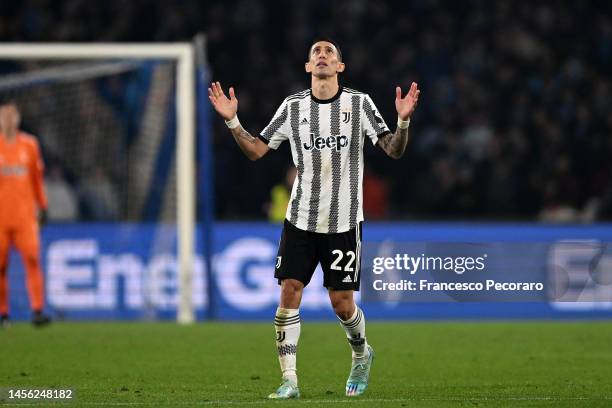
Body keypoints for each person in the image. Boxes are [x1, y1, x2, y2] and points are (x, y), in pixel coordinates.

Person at [208, 39, 420, 399]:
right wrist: (233, 122)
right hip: (300, 218)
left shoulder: (359, 103)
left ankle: (360, 352)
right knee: (290, 291)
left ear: (340, 67)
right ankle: (289, 379)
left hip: (344, 222)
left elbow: (393, 150)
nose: (322, 55)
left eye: (329, 53)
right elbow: (258, 149)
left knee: (342, 302)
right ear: (308, 67)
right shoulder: (293, 108)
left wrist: (402, 120)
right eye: (315, 53)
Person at [0, 102, 51, 327]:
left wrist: (43, 205)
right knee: (0, 266)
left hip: (24, 217)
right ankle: (3, 313)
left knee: (32, 259)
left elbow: (36, 180)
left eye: (13, 115)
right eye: (5, 116)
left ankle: (38, 311)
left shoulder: (30, 145)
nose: (9, 120)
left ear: (18, 118)